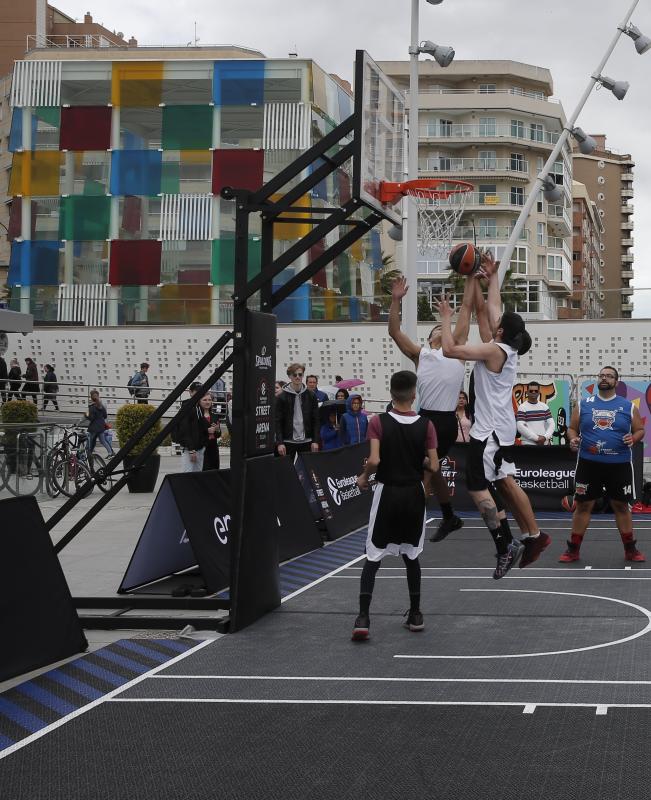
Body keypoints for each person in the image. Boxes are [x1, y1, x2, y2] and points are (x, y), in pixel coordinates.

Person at [438, 257, 551, 579]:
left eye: (497, 322)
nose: (493, 319)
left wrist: (446, 318)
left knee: (476, 487)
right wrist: (491, 277)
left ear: (501, 331)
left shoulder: (493, 350)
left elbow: (450, 349)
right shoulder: (505, 348)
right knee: (502, 481)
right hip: (498, 428)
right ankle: (532, 536)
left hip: (487, 430)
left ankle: (505, 545)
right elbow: (491, 308)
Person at [351, 370, 439, 641]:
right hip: (413, 492)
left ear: (391, 394)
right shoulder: (427, 425)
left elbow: (375, 460)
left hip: (387, 491)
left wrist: (363, 478)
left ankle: (363, 618)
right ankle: (415, 614)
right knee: (412, 556)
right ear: (414, 395)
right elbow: (434, 465)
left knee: (373, 556)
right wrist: (420, 464)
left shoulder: (378, 421)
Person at [388, 274, 474, 542]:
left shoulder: (456, 348)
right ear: (429, 337)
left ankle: (410, 525)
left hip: (445, 420)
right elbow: (394, 331)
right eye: (436, 328)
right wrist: (395, 300)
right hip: (424, 418)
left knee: (423, 473)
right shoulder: (421, 354)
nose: (440, 329)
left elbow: (467, 311)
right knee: (431, 471)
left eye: (443, 327)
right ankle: (449, 516)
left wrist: (469, 281)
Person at [559, 366, 645, 563]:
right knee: (583, 505)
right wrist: (572, 439)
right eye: (602, 375)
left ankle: (630, 550)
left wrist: (634, 437)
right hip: (589, 464)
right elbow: (572, 429)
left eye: (609, 376)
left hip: (619, 464)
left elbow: (640, 429)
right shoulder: (583, 404)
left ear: (617, 381)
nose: (604, 378)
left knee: (621, 505)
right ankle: (573, 549)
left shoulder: (628, 406)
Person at [275, 363, 320, 459]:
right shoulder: (281, 397)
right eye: (294, 375)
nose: (297, 377)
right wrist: (280, 443)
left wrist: (315, 441)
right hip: (288, 441)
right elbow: (277, 421)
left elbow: (316, 419)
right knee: (286, 471)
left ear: (303, 375)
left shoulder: (311, 395)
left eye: (300, 374)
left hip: (307, 440)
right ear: (289, 376)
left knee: (308, 471)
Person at [174, 382, 210, 472]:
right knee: (187, 476)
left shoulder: (198, 406)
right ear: (190, 392)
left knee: (196, 477)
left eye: (201, 391)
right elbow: (184, 429)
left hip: (199, 448)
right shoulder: (187, 407)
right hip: (190, 450)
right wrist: (191, 449)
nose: (199, 394)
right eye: (196, 391)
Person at [86, 390, 114, 456]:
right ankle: (110, 453)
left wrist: (86, 415)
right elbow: (105, 416)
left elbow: (91, 418)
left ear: (91, 398)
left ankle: (87, 453)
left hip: (94, 428)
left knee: (90, 441)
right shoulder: (102, 406)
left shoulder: (92, 407)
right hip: (101, 427)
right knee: (103, 441)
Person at [199, 391, 221, 471]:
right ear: (200, 401)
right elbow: (194, 432)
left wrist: (217, 430)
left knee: (215, 470)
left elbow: (218, 435)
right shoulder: (197, 416)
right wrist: (206, 431)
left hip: (213, 448)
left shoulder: (215, 416)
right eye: (205, 400)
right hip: (202, 448)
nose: (207, 402)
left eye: (209, 400)